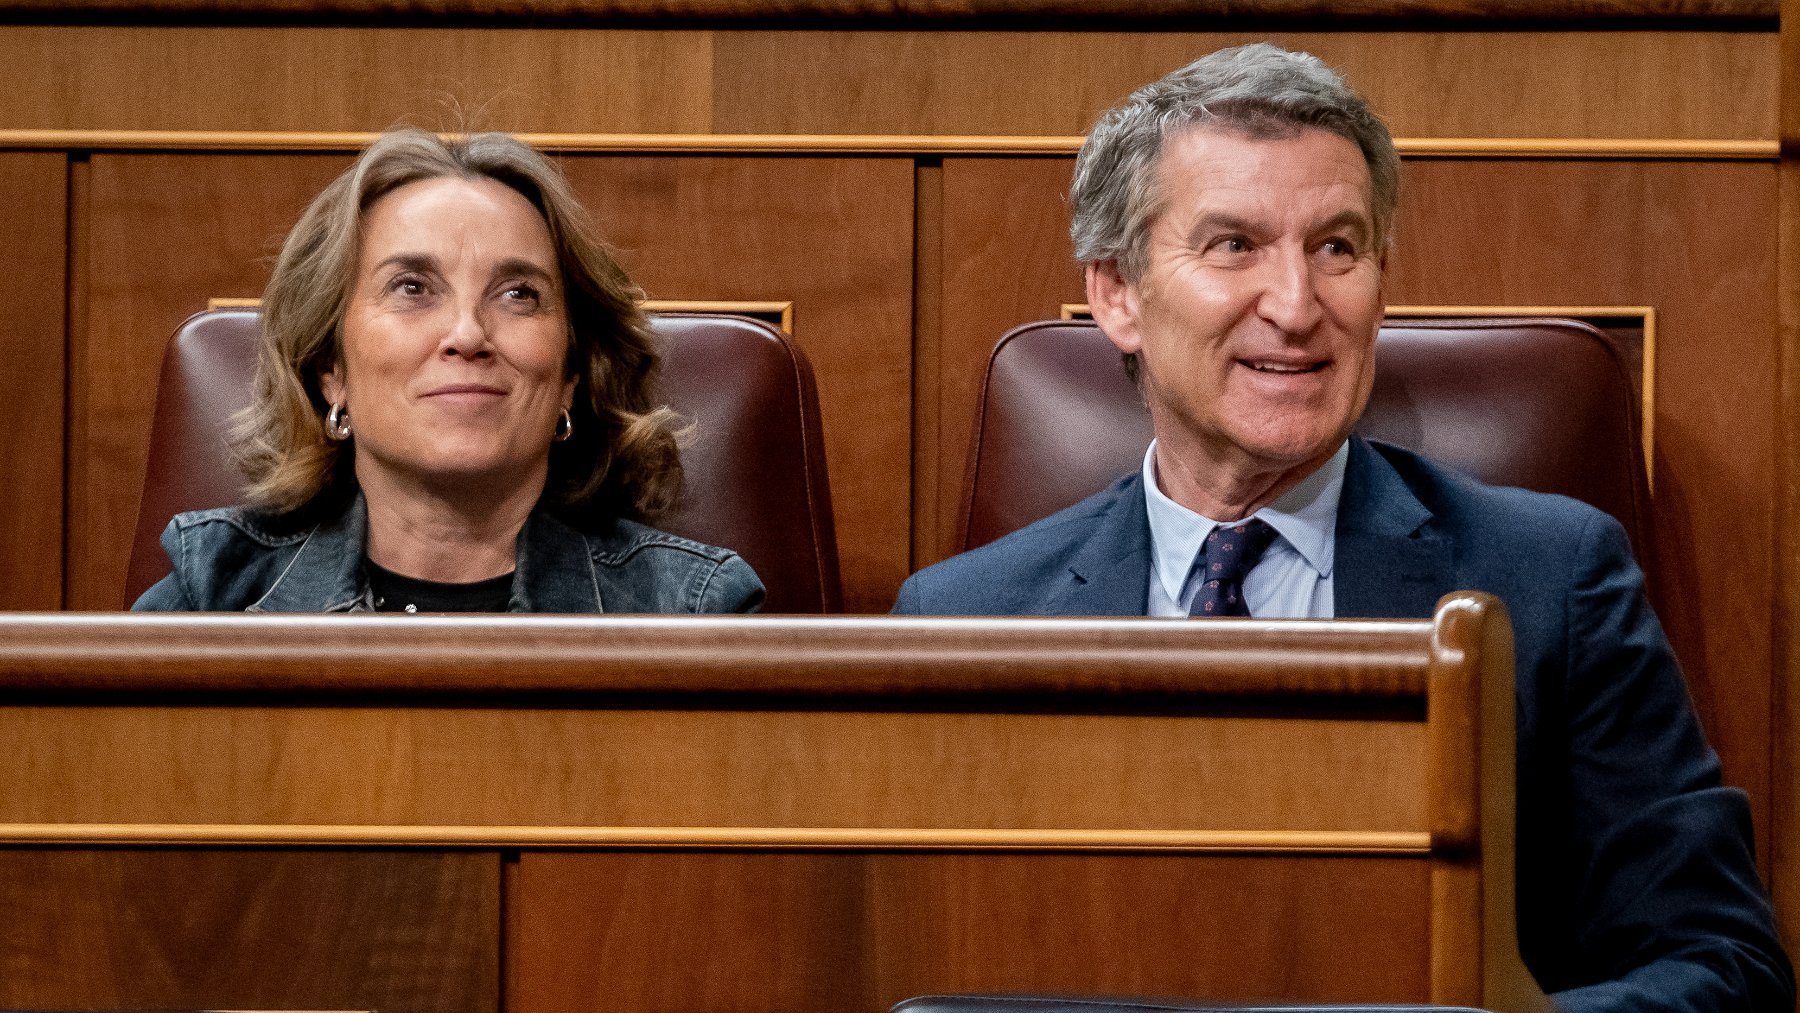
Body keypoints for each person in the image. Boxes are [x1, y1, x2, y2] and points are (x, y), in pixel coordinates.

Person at [894, 43, 1792, 1010]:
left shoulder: (1553, 580)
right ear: (1117, 293)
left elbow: (1725, 966)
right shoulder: (961, 619)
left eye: (1337, 248)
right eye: (1234, 245)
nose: (1297, 306)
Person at [134, 129, 763, 614]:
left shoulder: (691, 610)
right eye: (412, 288)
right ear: (331, 369)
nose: (467, 335)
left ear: (571, 370)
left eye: (519, 294)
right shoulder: (213, 590)